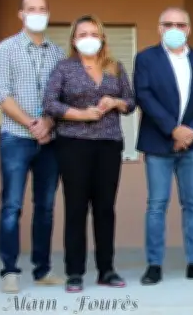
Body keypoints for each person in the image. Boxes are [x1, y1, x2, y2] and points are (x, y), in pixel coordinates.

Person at [43, 15, 136, 292]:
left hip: (108, 144)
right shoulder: (64, 68)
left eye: (93, 33)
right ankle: (74, 272)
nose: (88, 38)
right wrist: (81, 114)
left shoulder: (115, 68)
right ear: (73, 40)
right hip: (73, 144)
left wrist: (115, 101)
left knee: (105, 209)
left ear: (102, 37)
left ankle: (106, 269)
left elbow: (131, 103)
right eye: (82, 34)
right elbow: (50, 103)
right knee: (76, 208)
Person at [0, 0, 65, 293]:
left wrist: (48, 122)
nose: (37, 13)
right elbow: (0, 94)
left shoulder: (58, 54)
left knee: (45, 207)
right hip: (16, 139)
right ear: (21, 14)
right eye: (31, 9)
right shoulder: (5, 50)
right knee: (12, 205)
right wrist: (32, 123)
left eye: (42, 9)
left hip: (51, 141)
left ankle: (42, 269)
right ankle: (9, 270)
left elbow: (62, 97)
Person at [134, 7, 193, 285]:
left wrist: (191, 130)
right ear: (159, 28)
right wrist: (173, 129)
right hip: (159, 143)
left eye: (180, 24)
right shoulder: (146, 58)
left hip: (192, 144)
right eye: (168, 24)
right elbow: (144, 96)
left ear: (189, 29)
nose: (174, 29)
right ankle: (154, 265)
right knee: (157, 205)